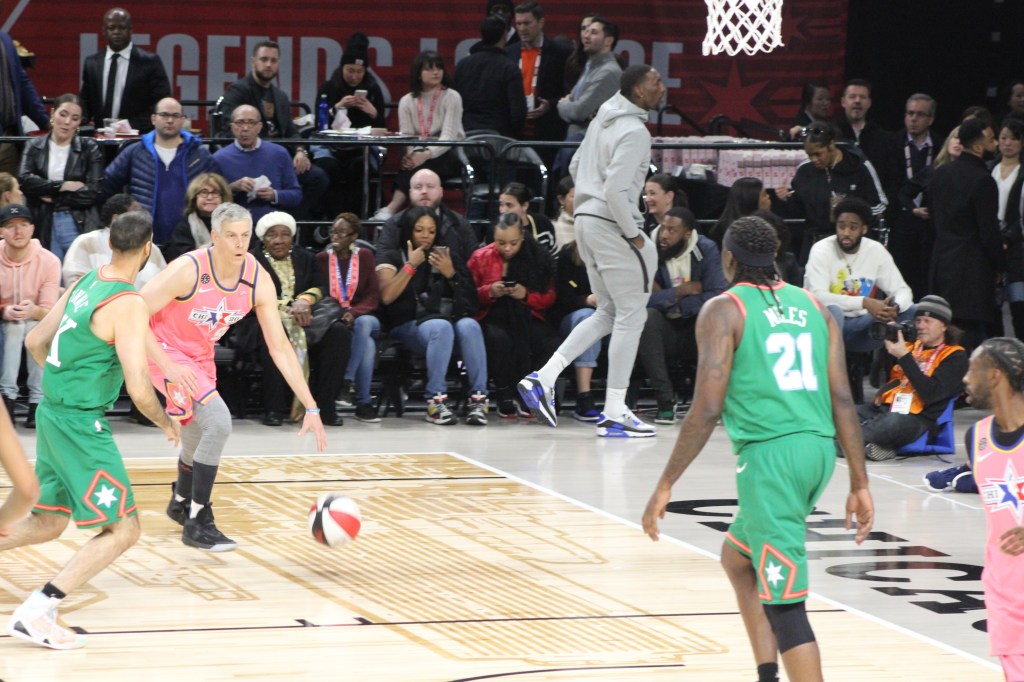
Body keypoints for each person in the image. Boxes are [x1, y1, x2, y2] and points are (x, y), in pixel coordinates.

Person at [642, 215, 874, 682]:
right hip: (817, 452)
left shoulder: (723, 309)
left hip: (771, 459)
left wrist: (666, 482)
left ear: (728, 258)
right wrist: (859, 482)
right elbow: (843, 398)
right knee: (738, 557)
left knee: (786, 605)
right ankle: (767, 674)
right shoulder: (814, 305)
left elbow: (707, 409)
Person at [3, 210, 179, 650]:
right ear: (147, 248)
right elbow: (139, 387)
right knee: (124, 529)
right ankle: (38, 611)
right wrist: (166, 422)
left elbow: (35, 341)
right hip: (81, 425)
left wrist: (64, 382)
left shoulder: (86, 280)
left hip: (52, 414)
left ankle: (38, 610)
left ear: (110, 244)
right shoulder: (129, 302)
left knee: (48, 521)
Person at [141, 203, 327, 552]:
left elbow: (280, 347)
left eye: (245, 235)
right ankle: (198, 521)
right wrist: (167, 365)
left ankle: (180, 500)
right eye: (231, 236)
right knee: (219, 423)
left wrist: (311, 405)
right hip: (162, 350)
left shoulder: (257, 278)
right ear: (214, 237)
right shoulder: (188, 269)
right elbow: (132, 312)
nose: (240, 243)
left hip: (199, 355)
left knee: (196, 435)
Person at [519, 65, 664, 438]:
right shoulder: (635, 131)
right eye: (656, 82)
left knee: (608, 312)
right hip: (613, 224)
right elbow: (615, 189)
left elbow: (575, 165)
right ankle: (614, 411)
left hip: (584, 220)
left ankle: (544, 377)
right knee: (632, 315)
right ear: (638, 90)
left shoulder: (602, 118)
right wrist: (633, 234)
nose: (662, 87)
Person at [376, 206, 489, 425]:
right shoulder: (393, 255)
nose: (425, 235)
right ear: (409, 230)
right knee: (440, 327)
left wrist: (451, 274)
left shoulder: (445, 256)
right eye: (419, 230)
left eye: (431, 231)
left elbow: (471, 302)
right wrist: (411, 265)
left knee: (470, 326)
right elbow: (387, 297)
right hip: (408, 324)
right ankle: (436, 401)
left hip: (445, 322)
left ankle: (478, 399)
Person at [958, 336, 1024, 681]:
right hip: (1005, 592)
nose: (966, 378)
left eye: (973, 370)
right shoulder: (976, 437)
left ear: (995, 375)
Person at [247, 211, 348, 427]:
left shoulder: (306, 257)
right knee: (274, 332)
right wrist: (280, 310)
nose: (279, 240)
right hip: (261, 319)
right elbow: (245, 294)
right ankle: (274, 409)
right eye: (272, 235)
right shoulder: (250, 260)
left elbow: (320, 287)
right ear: (263, 238)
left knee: (338, 333)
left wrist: (304, 300)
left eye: (285, 234)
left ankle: (325, 407)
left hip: (304, 317)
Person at [635, 206, 728, 424]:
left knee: (719, 317)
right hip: (666, 327)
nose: (664, 235)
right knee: (647, 318)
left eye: (672, 230)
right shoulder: (649, 249)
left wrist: (676, 306)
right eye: (663, 228)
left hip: (697, 326)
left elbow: (716, 294)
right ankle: (665, 402)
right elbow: (639, 298)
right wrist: (679, 292)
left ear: (687, 234)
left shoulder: (705, 249)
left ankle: (713, 403)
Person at [218, 41, 329, 221]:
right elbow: (228, 130)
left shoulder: (280, 96)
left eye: (273, 60)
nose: (268, 64)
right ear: (253, 62)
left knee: (318, 177)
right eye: (264, 59)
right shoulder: (238, 91)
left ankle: (288, 223)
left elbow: (291, 131)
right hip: (252, 155)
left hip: (280, 157)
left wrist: (300, 150)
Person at [469, 211, 558, 417]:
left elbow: (549, 296)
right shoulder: (480, 257)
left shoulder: (537, 257)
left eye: (513, 243)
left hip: (527, 314)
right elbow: (467, 295)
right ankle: (504, 393)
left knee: (551, 343)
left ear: (522, 237)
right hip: (490, 314)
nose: (507, 248)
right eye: (501, 243)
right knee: (499, 339)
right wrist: (489, 291)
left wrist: (526, 294)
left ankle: (530, 390)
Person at [101, 97, 219, 252]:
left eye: (175, 116)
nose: (170, 120)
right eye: (164, 115)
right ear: (153, 118)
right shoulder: (135, 151)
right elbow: (106, 185)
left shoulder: (200, 154)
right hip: (141, 239)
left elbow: (220, 191)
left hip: (188, 241)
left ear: (183, 119)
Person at [858, 295, 967, 461]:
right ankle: (875, 445)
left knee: (891, 423)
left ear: (944, 325)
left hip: (918, 418)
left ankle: (844, 443)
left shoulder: (955, 356)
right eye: (918, 321)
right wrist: (891, 346)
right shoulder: (910, 346)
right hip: (886, 409)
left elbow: (931, 394)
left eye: (927, 321)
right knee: (844, 413)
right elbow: (886, 381)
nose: (921, 326)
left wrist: (904, 357)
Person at [803, 197, 915, 354]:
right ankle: (831, 368)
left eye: (853, 228)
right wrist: (864, 302)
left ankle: (907, 367)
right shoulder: (821, 249)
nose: (845, 233)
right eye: (841, 226)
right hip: (829, 325)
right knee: (834, 311)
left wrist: (895, 307)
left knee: (913, 311)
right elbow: (817, 297)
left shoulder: (875, 250)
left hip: (863, 327)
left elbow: (903, 291)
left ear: (864, 229)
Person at [928, 117, 1002, 351]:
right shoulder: (983, 180)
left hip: (940, 265)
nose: (996, 144)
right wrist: (1000, 266)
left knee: (943, 337)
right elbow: (988, 233)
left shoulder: (940, 174)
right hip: (971, 273)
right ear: (978, 147)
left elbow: (934, 220)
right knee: (966, 340)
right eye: (991, 139)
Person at [773, 122, 887, 262]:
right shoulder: (804, 171)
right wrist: (787, 198)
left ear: (831, 145)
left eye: (818, 154)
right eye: (809, 154)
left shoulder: (859, 166)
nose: (814, 159)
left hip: (852, 245)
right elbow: (799, 210)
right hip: (815, 245)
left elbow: (879, 204)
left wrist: (855, 219)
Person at [375, 51, 465, 220]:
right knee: (412, 166)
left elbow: (448, 138)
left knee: (422, 167)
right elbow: (408, 138)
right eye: (429, 69)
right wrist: (411, 156)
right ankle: (411, 217)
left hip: (449, 153)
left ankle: (391, 210)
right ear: (418, 74)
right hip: (419, 152)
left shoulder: (452, 97)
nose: (436, 72)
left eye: (439, 68)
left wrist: (425, 155)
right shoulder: (406, 101)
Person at [18, 93, 104, 261]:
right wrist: (62, 186)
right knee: (49, 272)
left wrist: (54, 197)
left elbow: (93, 192)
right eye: (63, 115)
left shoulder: (90, 148)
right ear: (52, 113)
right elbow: (24, 181)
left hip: (77, 219)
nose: (67, 122)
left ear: (79, 123)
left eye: (74, 118)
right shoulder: (33, 145)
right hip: (43, 219)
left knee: (77, 273)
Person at [315, 213, 381, 423]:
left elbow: (373, 295)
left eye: (342, 233)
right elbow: (321, 294)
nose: (336, 236)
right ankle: (363, 403)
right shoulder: (322, 259)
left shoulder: (365, 256)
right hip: (336, 318)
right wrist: (341, 314)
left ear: (354, 236)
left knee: (364, 324)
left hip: (366, 316)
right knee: (368, 346)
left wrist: (354, 312)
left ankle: (346, 380)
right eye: (333, 232)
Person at [0, 204, 61, 427]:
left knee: (32, 327)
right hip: (3, 322)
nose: (18, 231)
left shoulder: (49, 261)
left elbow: (49, 310)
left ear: (32, 229)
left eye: (24, 225)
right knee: (15, 328)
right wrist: (4, 310)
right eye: (11, 226)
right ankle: (7, 397)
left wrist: (34, 311)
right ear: (1, 232)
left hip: (37, 321)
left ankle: (36, 400)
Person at [314, 32, 387, 217]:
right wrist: (336, 108)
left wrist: (373, 112)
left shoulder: (373, 89)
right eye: (350, 70)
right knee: (328, 168)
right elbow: (318, 125)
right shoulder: (329, 87)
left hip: (361, 149)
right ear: (342, 68)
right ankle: (331, 220)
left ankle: (356, 220)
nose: (354, 76)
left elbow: (383, 129)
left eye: (359, 72)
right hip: (332, 148)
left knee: (359, 169)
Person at [78, 7, 171, 134]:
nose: (117, 32)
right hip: (100, 137)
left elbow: (161, 102)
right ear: (104, 31)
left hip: (137, 136)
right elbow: (86, 100)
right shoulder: (92, 63)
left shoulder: (149, 62)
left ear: (131, 30)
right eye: (111, 28)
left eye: (122, 28)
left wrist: (129, 125)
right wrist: (78, 119)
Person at [213, 104, 302, 225]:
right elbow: (210, 199)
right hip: (233, 224)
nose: (245, 128)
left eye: (251, 123)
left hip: (272, 225)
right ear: (232, 127)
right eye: (240, 123)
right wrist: (233, 187)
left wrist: (274, 195)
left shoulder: (279, 153)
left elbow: (296, 195)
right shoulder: (219, 158)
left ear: (260, 127)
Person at [506, 2, 572, 158]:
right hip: (514, 133)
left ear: (541, 22)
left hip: (548, 133)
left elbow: (571, 92)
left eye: (527, 23)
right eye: (518, 24)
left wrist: (550, 105)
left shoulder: (561, 53)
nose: (522, 28)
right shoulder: (508, 53)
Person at [62, 193, 166, 289]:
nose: (141, 217)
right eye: (136, 212)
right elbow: (75, 287)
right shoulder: (86, 242)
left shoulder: (152, 248)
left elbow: (165, 287)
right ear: (116, 219)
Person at [374, 168, 479, 261]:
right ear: (410, 193)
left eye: (430, 186)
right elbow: (382, 263)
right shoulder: (393, 224)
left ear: (441, 192)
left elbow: (474, 265)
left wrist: (452, 273)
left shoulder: (460, 224)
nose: (424, 191)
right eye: (418, 187)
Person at [454, 15, 525, 139]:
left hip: (465, 136)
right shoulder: (510, 68)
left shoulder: (462, 65)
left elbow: (454, 103)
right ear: (505, 35)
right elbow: (518, 113)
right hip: (500, 138)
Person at [0, 19, 49, 174]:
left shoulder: (5, 41)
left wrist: (46, 122)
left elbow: (23, 84)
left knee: (11, 189)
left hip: (8, 140)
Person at [165, 172, 231, 261]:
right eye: (204, 192)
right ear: (194, 197)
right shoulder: (183, 229)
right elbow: (182, 260)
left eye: (215, 192)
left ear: (223, 197)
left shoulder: (235, 224)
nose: (210, 197)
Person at [496, 181, 556, 253]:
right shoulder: (496, 229)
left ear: (525, 206)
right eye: (501, 205)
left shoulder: (543, 223)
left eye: (509, 205)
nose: (503, 210)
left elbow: (553, 256)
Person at [710, 176, 771, 246]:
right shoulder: (722, 231)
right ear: (751, 199)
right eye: (764, 194)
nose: (768, 196)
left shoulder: (771, 224)